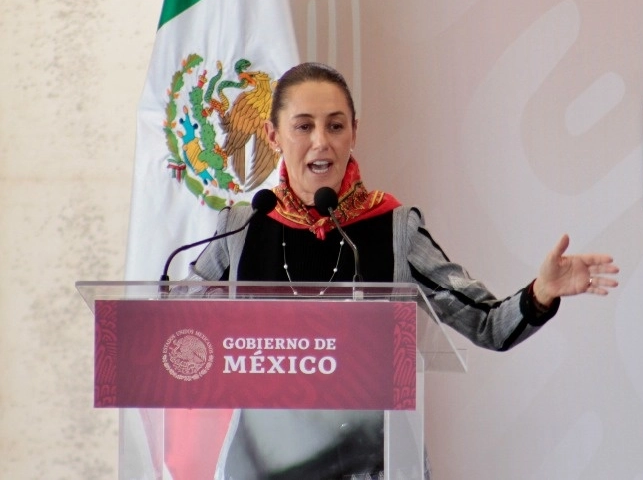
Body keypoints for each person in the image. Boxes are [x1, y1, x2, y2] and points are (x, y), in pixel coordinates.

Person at [185, 61, 618, 479]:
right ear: (273, 135)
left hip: (375, 466)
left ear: (354, 131)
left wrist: (541, 292)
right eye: (304, 126)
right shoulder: (241, 227)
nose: (321, 141)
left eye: (336, 126)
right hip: (263, 467)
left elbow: (488, 325)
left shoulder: (393, 228)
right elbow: (173, 329)